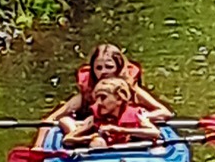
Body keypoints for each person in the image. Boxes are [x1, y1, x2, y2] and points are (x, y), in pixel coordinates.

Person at [35, 42, 171, 154]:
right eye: (98, 68)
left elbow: (164, 113)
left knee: (157, 148)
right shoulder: (87, 95)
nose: (103, 72)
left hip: (130, 134)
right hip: (96, 134)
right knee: (66, 121)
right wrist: (38, 147)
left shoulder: (131, 91)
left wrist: (141, 117)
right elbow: (50, 120)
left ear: (118, 68)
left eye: (109, 67)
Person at [60, 75, 156, 150]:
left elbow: (155, 133)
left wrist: (120, 130)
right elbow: (67, 139)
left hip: (132, 156)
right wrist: (89, 138)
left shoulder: (137, 115)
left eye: (103, 97)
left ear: (119, 98)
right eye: (96, 99)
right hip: (105, 159)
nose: (98, 103)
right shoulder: (95, 119)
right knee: (97, 142)